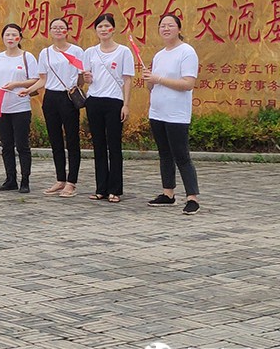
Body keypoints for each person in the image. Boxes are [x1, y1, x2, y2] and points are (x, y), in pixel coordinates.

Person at [146, 13, 201, 214]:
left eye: (170, 25)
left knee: (181, 155)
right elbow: (152, 87)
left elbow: (188, 84)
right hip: (158, 112)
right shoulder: (159, 55)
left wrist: (158, 79)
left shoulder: (187, 52)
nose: (166, 29)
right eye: (162, 26)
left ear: (179, 29)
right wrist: (150, 81)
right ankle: (168, 194)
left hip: (177, 114)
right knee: (165, 154)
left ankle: (192, 197)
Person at [0, 23, 39, 194]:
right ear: (3, 38)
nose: (10, 38)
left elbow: (35, 80)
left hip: (20, 106)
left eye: (14, 35)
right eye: (7, 35)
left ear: (20, 37)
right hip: (2, 107)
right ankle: (10, 178)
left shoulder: (27, 57)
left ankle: (25, 180)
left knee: (22, 145)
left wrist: (17, 85)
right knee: (7, 145)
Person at [82, 12, 134, 203]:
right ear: (95, 30)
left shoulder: (123, 52)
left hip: (114, 102)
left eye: (106, 26)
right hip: (94, 100)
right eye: (100, 27)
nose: (103, 30)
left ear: (113, 29)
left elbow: (127, 80)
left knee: (114, 146)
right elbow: (85, 78)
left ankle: (115, 190)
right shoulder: (90, 52)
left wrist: (126, 105)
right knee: (98, 146)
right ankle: (101, 188)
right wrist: (86, 79)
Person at [30, 17, 84, 197]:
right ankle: (60, 179)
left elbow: (81, 77)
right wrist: (27, 90)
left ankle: (72, 182)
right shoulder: (45, 53)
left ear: (67, 31)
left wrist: (82, 81)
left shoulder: (76, 51)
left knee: (72, 139)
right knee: (55, 140)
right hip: (51, 97)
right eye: (54, 28)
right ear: (50, 31)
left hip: (68, 96)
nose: (58, 30)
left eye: (62, 28)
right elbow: (43, 80)